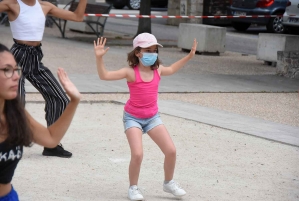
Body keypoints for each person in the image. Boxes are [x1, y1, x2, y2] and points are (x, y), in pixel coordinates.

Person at [93, 33, 198, 200]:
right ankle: (133, 188)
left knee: (171, 151)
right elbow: (104, 76)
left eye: (154, 50)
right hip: (132, 118)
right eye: (148, 50)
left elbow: (171, 69)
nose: (152, 53)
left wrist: (189, 56)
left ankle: (168, 183)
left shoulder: (159, 70)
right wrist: (99, 58)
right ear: (137, 52)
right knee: (138, 154)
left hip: (152, 118)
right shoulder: (130, 72)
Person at [0, 0, 87, 158]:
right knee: (16, 102)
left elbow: (77, 17)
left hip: (35, 58)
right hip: (17, 57)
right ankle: (8, 145)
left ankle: (51, 145)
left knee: (60, 99)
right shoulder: (12, 4)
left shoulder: (45, 6)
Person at [0, 43, 81, 200]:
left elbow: (50, 139)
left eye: (16, 69)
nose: (16, 76)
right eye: (7, 70)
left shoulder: (15, 113)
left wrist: (74, 101)